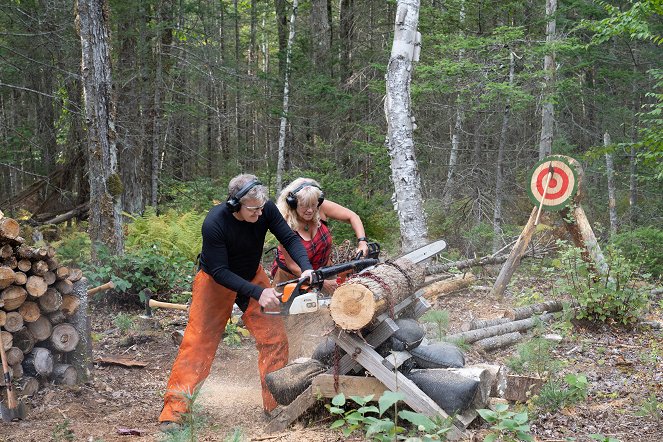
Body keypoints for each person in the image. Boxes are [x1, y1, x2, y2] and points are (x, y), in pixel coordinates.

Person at [159, 174, 313, 432]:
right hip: (215, 281)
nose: (259, 213)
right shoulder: (214, 223)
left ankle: (274, 405)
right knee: (198, 343)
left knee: (274, 337)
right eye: (253, 209)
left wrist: (306, 268)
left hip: (252, 274)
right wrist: (257, 292)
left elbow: (289, 238)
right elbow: (219, 271)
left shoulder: (265, 209)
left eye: (261, 207)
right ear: (234, 204)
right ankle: (174, 412)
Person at [271, 177, 369, 295]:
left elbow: (352, 216)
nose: (310, 210)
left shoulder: (320, 208)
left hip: (325, 270)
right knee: (289, 312)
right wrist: (321, 282)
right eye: (304, 205)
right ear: (293, 203)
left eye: (313, 204)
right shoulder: (285, 222)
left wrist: (362, 242)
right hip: (292, 279)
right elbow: (293, 266)